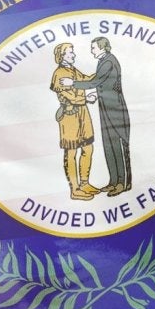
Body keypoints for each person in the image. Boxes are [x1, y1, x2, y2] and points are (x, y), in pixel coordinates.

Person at [70, 36, 131, 195]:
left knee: (118, 145)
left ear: (102, 47)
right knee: (109, 146)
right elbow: (103, 84)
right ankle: (113, 181)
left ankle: (122, 184)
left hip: (115, 110)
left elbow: (95, 82)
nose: (92, 51)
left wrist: (73, 84)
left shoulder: (109, 61)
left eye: (93, 48)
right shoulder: (103, 61)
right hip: (105, 108)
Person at [49, 42, 99, 200]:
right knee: (71, 152)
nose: (74, 55)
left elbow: (86, 79)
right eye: (70, 52)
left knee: (88, 148)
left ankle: (85, 183)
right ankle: (75, 189)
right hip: (69, 116)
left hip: (83, 114)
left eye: (73, 52)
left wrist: (102, 71)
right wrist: (87, 98)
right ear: (62, 56)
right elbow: (68, 96)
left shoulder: (73, 70)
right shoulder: (59, 73)